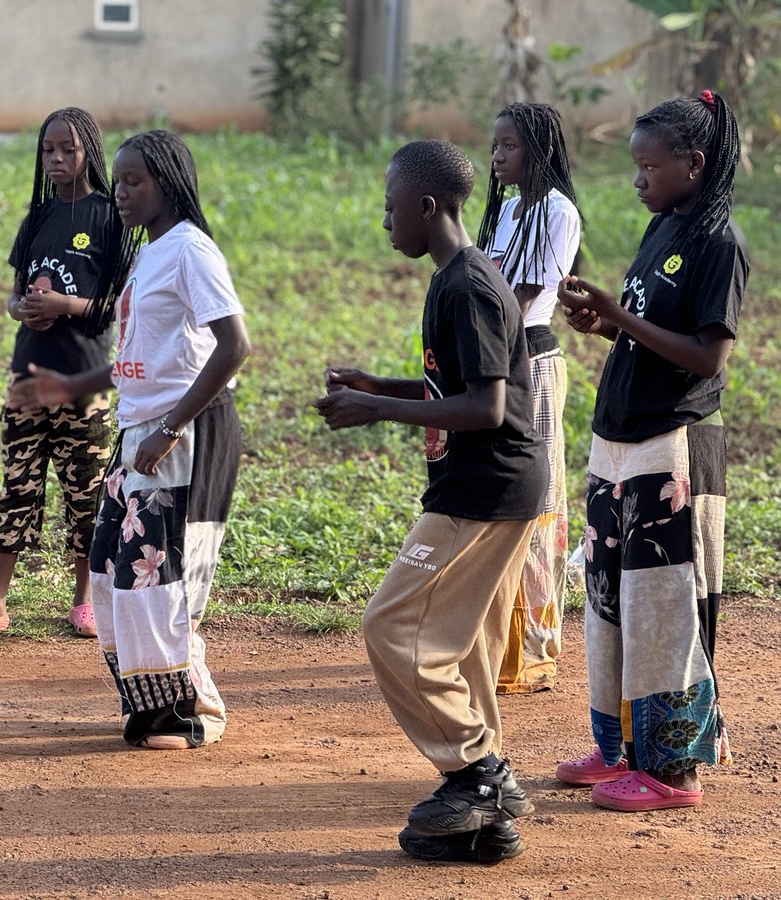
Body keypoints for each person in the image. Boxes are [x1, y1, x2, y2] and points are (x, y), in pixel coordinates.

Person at [315, 140, 547, 862]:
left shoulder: (468, 285)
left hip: (484, 488)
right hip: (490, 483)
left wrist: (375, 412)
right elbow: (459, 388)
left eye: (391, 209)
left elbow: (484, 406)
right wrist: (381, 386)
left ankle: (477, 773)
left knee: (392, 625)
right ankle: (488, 820)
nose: (385, 223)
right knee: (463, 642)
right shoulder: (456, 277)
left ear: (426, 205)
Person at [10, 129, 250, 750]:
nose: (119, 192)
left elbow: (234, 346)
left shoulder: (192, 250)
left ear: (167, 184)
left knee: (156, 576)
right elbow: (137, 358)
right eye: (117, 180)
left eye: (134, 181)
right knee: (112, 566)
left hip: (185, 431)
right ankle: (150, 705)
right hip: (141, 428)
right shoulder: (150, 253)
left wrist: (169, 430)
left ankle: (187, 710)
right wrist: (70, 385)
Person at [555, 90, 746, 811]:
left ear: (694, 163)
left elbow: (707, 358)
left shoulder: (720, 244)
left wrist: (622, 317)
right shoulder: (663, 228)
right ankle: (620, 751)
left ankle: (675, 773)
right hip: (619, 441)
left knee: (663, 612)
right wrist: (604, 324)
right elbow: (643, 330)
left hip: (674, 444)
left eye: (648, 166)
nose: (637, 179)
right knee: (610, 601)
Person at [0, 108, 135, 642]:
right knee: (17, 487)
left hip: (86, 381)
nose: (55, 159)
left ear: (90, 153)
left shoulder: (109, 217)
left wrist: (65, 304)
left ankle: (86, 601)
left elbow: (119, 305)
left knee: (86, 492)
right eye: (48, 149)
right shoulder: (38, 218)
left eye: (67, 150)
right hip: (27, 376)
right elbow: (12, 294)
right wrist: (21, 309)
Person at [477, 102, 582, 693]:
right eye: (494, 146)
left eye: (509, 146)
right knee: (502, 491)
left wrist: (476, 339)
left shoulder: (557, 212)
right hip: (497, 359)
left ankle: (532, 645)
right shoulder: (510, 208)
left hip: (530, 361)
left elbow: (523, 295)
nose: (497, 157)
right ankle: (495, 634)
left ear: (538, 149)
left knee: (537, 497)